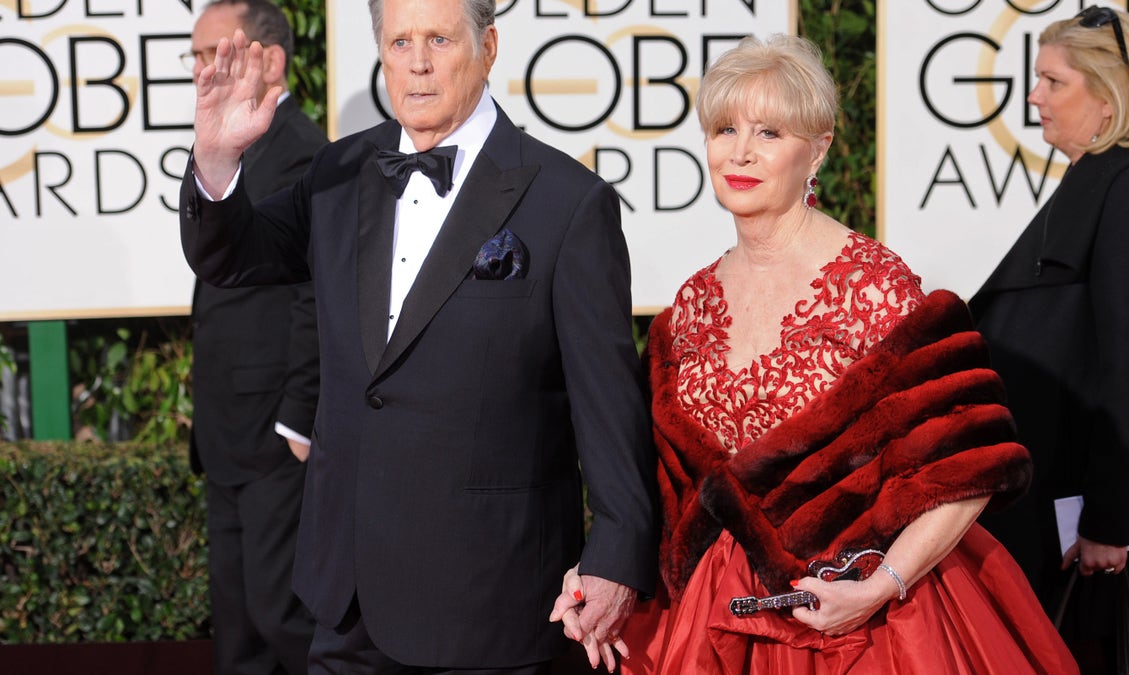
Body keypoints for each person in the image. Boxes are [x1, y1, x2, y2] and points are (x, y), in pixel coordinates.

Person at [553, 34, 1080, 673]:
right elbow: (656, 492)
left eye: (770, 133)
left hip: (865, 623)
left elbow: (966, 467)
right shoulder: (687, 307)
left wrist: (880, 586)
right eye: (724, 129)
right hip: (713, 622)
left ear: (819, 149)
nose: (740, 152)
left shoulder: (875, 284)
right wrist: (602, 569)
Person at [178, 0, 660, 672]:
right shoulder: (339, 172)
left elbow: (607, 407)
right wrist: (219, 157)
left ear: (488, 46)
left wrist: (616, 552)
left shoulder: (568, 203)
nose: (419, 62)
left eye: (439, 37)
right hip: (346, 597)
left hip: (490, 601)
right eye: (400, 41)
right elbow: (233, 256)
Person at [970, 7, 1129, 673]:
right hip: (1062, 520)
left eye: (1052, 81)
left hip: (1102, 542)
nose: (1034, 97)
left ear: (1108, 98)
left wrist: (1110, 521)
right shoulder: (1099, 191)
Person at [184, 2, 326, 673]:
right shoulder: (232, 145)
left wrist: (298, 420)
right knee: (237, 628)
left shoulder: (304, 153)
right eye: (199, 56)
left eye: (220, 52)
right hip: (225, 433)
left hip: (274, 435)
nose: (204, 70)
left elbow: (314, 296)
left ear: (270, 60)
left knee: (282, 613)